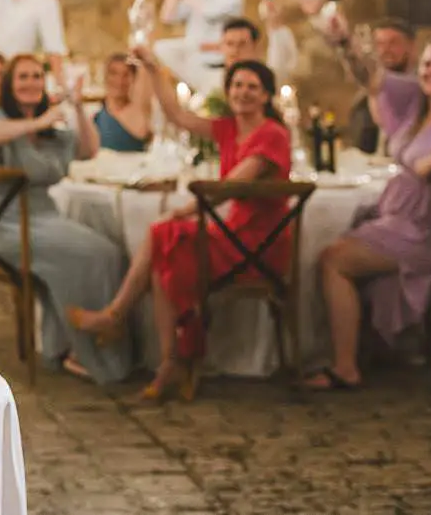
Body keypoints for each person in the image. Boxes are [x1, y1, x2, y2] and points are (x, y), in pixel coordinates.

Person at [70, 51, 291, 401]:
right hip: (231, 234)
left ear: (266, 95)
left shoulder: (273, 134)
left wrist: (186, 210)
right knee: (164, 245)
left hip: (258, 244)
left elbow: (230, 185)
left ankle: (120, 319)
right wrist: (155, 71)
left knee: (164, 231)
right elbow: (177, 115)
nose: (242, 92)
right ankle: (168, 361)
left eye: (251, 86)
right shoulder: (229, 127)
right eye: (236, 85)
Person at [304, 31, 431, 391]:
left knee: (333, 259)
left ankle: (345, 366)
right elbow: (371, 77)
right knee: (340, 243)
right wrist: (343, 43)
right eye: (428, 64)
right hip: (405, 221)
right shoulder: (417, 102)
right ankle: (369, 353)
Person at [0, 56, 132, 384]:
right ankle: (83, 349)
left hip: (42, 215)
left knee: (108, 250)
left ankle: (66, 344)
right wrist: (37, 123)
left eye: (37, 76)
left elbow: (89, 150)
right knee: (95, 254)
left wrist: (77, 107)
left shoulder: (51, 124)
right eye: (22, 76)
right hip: (1, 222)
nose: (30, 82)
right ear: (10, 83)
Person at [154, 0, 245, 88]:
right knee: (161, 48)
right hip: (194, 65)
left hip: (216, 68)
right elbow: (167, 16)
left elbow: (210, 12)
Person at [337, 18, 416, 154]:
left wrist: (345, 43)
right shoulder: (364, 98)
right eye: (379, 44)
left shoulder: (417, 84)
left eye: (393, 43)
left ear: (411, 45)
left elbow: (370, 78)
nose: (385, 50)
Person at [95, 53, 153, 153]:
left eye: (126, 75)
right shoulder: (95, 117)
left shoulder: (139, 114)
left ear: (134, 79)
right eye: (113, 73)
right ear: (105, 76)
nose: (119, 80)